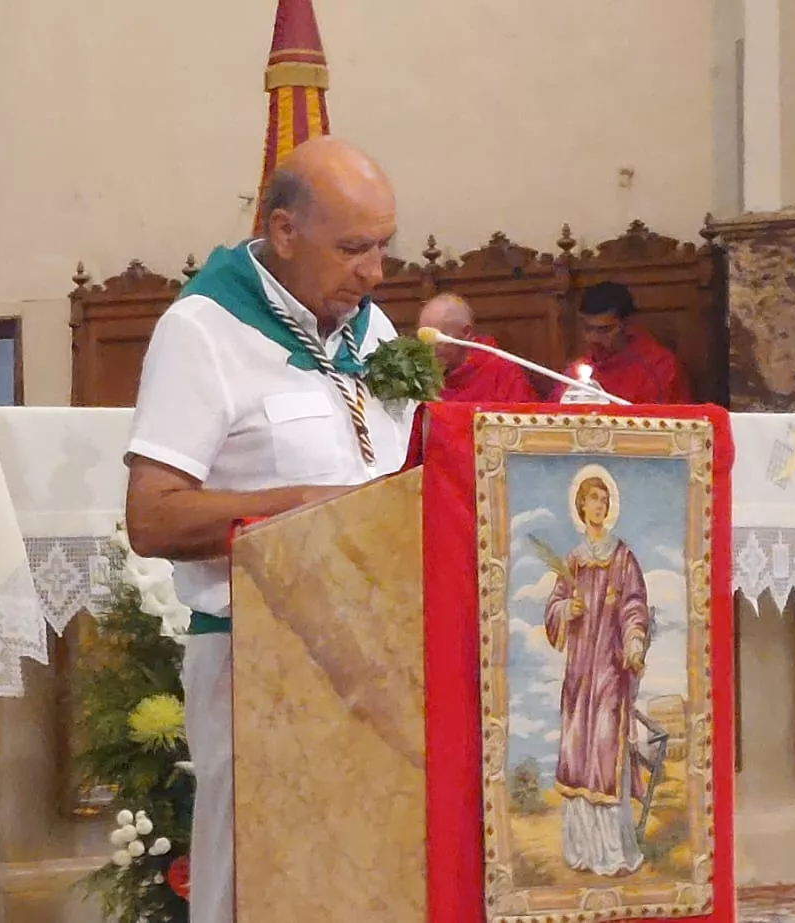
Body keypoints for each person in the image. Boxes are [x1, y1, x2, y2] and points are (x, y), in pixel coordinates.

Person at [124, 136, 413, 923]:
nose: (375, 272)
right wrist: (317, 507)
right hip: (260, 653)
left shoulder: (371, 329)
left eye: (384, 246)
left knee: (374, 871)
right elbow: (152, 516)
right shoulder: (204, 330)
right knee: (261, 876)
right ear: (283, 232)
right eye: (354, 248)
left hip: (387, 655)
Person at [540, 466, 651, 876]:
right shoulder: (573, 560)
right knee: (578, 749)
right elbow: (553, 604)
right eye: (592, 499)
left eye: (604, 500)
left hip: (609, 669)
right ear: (581, 506)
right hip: (579, 674)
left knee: (605, 745)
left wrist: (635, 638)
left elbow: (634, 604)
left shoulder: (622, 557)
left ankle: (612, 851)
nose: (599, 506)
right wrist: (565, 610)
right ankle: (582, 849)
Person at [552, 281, 691, 404]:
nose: (593, 339)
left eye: (604, 330)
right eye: (588, 328)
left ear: (628, 325)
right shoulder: (576, 371)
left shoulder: (660, 367)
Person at [415, 293, 540, 404]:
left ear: (466, 333)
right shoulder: (420, 373)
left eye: (437, 340)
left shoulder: (502, 373)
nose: (429, 350)